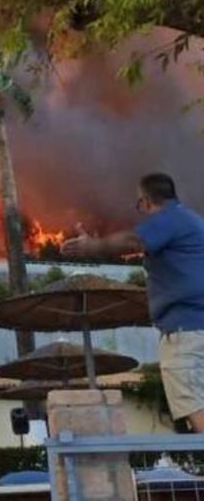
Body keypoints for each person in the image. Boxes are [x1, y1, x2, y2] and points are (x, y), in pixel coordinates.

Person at [62, 172, 204, 432]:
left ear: (147, 201)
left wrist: (92, 247)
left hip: (186, 335)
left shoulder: (169, 220)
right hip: (197, 329)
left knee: (195, 406)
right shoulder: (194, 222)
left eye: (140, 205)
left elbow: (134, 240)